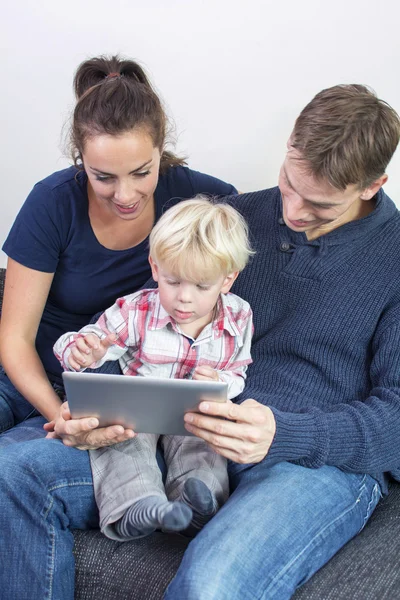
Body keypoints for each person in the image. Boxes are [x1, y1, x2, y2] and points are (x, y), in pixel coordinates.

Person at [0, 56, 237, 599]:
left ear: (162, 153)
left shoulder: (199, 200)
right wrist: (61, 414)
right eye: (103, 176)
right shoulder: (52, 202)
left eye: (142, 172)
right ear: (79, 159)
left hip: (125, 387)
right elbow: (14, 339)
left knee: (11, 474)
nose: (126, 194)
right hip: (38, 377)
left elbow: (259, 236)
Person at [162, 84, 400, 599]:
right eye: (288, 183)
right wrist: (101, 393)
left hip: (315, 463)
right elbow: (143, 319)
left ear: (372, 185)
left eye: (319, 204)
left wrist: (283, 434)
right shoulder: (232, 217)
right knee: (14, 475)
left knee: (212, 584)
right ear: (290, 144)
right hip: (189, 431)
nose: (291, 210)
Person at [54, 197, 253, 541]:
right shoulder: (136, 310)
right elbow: (86, 342)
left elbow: (238, 372)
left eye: (201, 286)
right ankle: (138, 507)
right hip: (139, 413)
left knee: (205, 447)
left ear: (227, 280)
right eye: (173, 282)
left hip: (194, 416)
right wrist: (83, 351)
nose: (184, 298)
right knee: (121, 441)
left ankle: (196, 504)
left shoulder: (239, 315)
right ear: (155, 268)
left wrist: (220, 380)